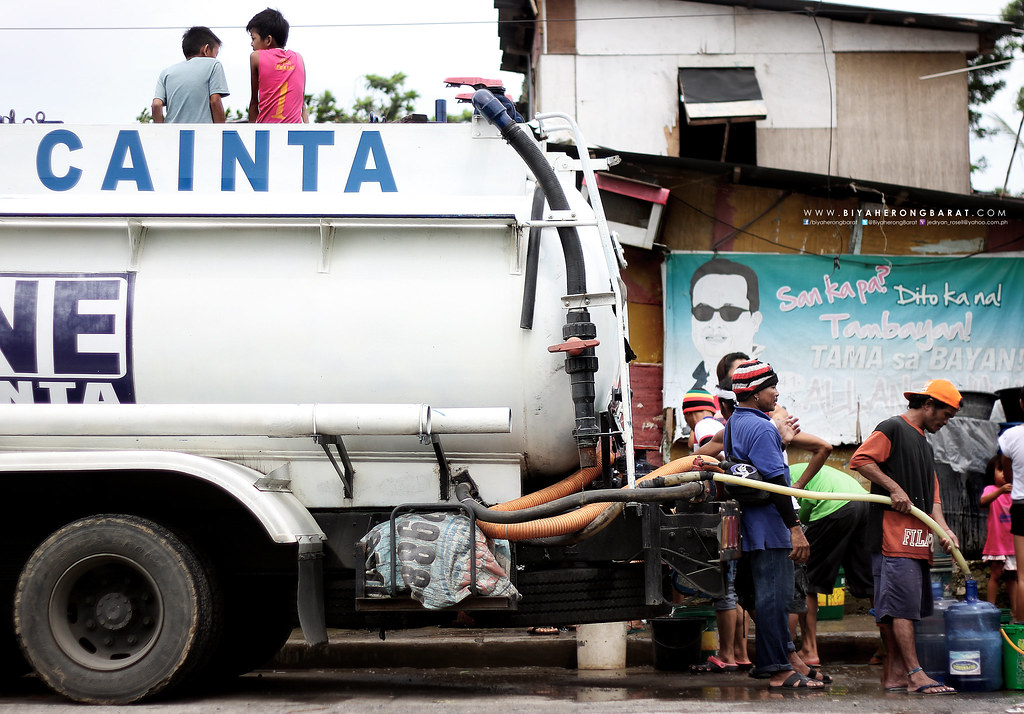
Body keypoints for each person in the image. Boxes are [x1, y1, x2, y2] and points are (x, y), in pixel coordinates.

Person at [849, 378, 961, 695]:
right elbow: (860, 459)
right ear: (927, 405)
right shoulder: (894, 428)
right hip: (892, 538)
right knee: (899, 609)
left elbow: (933, 498)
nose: (945, 421)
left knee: (898, 609)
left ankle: (895, 675)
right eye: (945, 414)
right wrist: (894, 487)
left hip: (917, 541)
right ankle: (914, 674)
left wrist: (944, 530)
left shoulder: (925, 446)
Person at [726, 359, 824, 689]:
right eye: (771, 387)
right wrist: (795, 528)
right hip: (770, 529)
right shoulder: (763, 427)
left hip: (750, 527)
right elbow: (776, 483)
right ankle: (777, 667)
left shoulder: (734, 422)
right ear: (754, 393)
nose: (776, 393)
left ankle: (778, 662)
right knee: (773, 601)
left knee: (765, 598)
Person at [791, 462, 874, 666]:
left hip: (834, 505)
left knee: (806, 577)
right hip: (865, 503)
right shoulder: (797, 468)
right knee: (871, 581)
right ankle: (887, 648)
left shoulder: (779, 476)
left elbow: (804, 510)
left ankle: (809, 650)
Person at [687, 259, 763, 395]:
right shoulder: (685, 385)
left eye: (730, 313)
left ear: (755, 321)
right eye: (703, 312)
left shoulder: (771, 387)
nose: (715, 324)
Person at [152, 26, 229, 124]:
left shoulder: (166, 72)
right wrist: (220, 132)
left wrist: (161, 132)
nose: (215, 57)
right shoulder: (213, 65)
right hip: (201, 133)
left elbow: (156, 104)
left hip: (174, 135)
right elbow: (214, 101)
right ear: (206, 49)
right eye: (215, 53)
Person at [247, 8, 309, 123]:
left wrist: (251, 135)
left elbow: (254, 103)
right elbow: (302, 104)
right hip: (295, 130)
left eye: (253, 38)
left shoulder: (256, 57)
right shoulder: (298, 58)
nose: (251, 43)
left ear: (268, 40)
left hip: (268, 130)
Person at [1000, 387, 1024, 621]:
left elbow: (1008, 476)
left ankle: (1021, 626)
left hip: (1021, 505)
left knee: (1023, 576)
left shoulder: (1011, 436)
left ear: (1021, 404)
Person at [981, 456, 1015, 607]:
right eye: (1000, 470)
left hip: (1013, 543)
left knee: (1012, 577)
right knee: (995, 575)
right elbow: (983, 502)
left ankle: (1016, 612)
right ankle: (990, 608)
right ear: (992, 472)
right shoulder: (991, 490)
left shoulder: (1017, 493)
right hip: (997, 543)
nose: (1004, 474)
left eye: (1007, 470)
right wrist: (1001, 491)